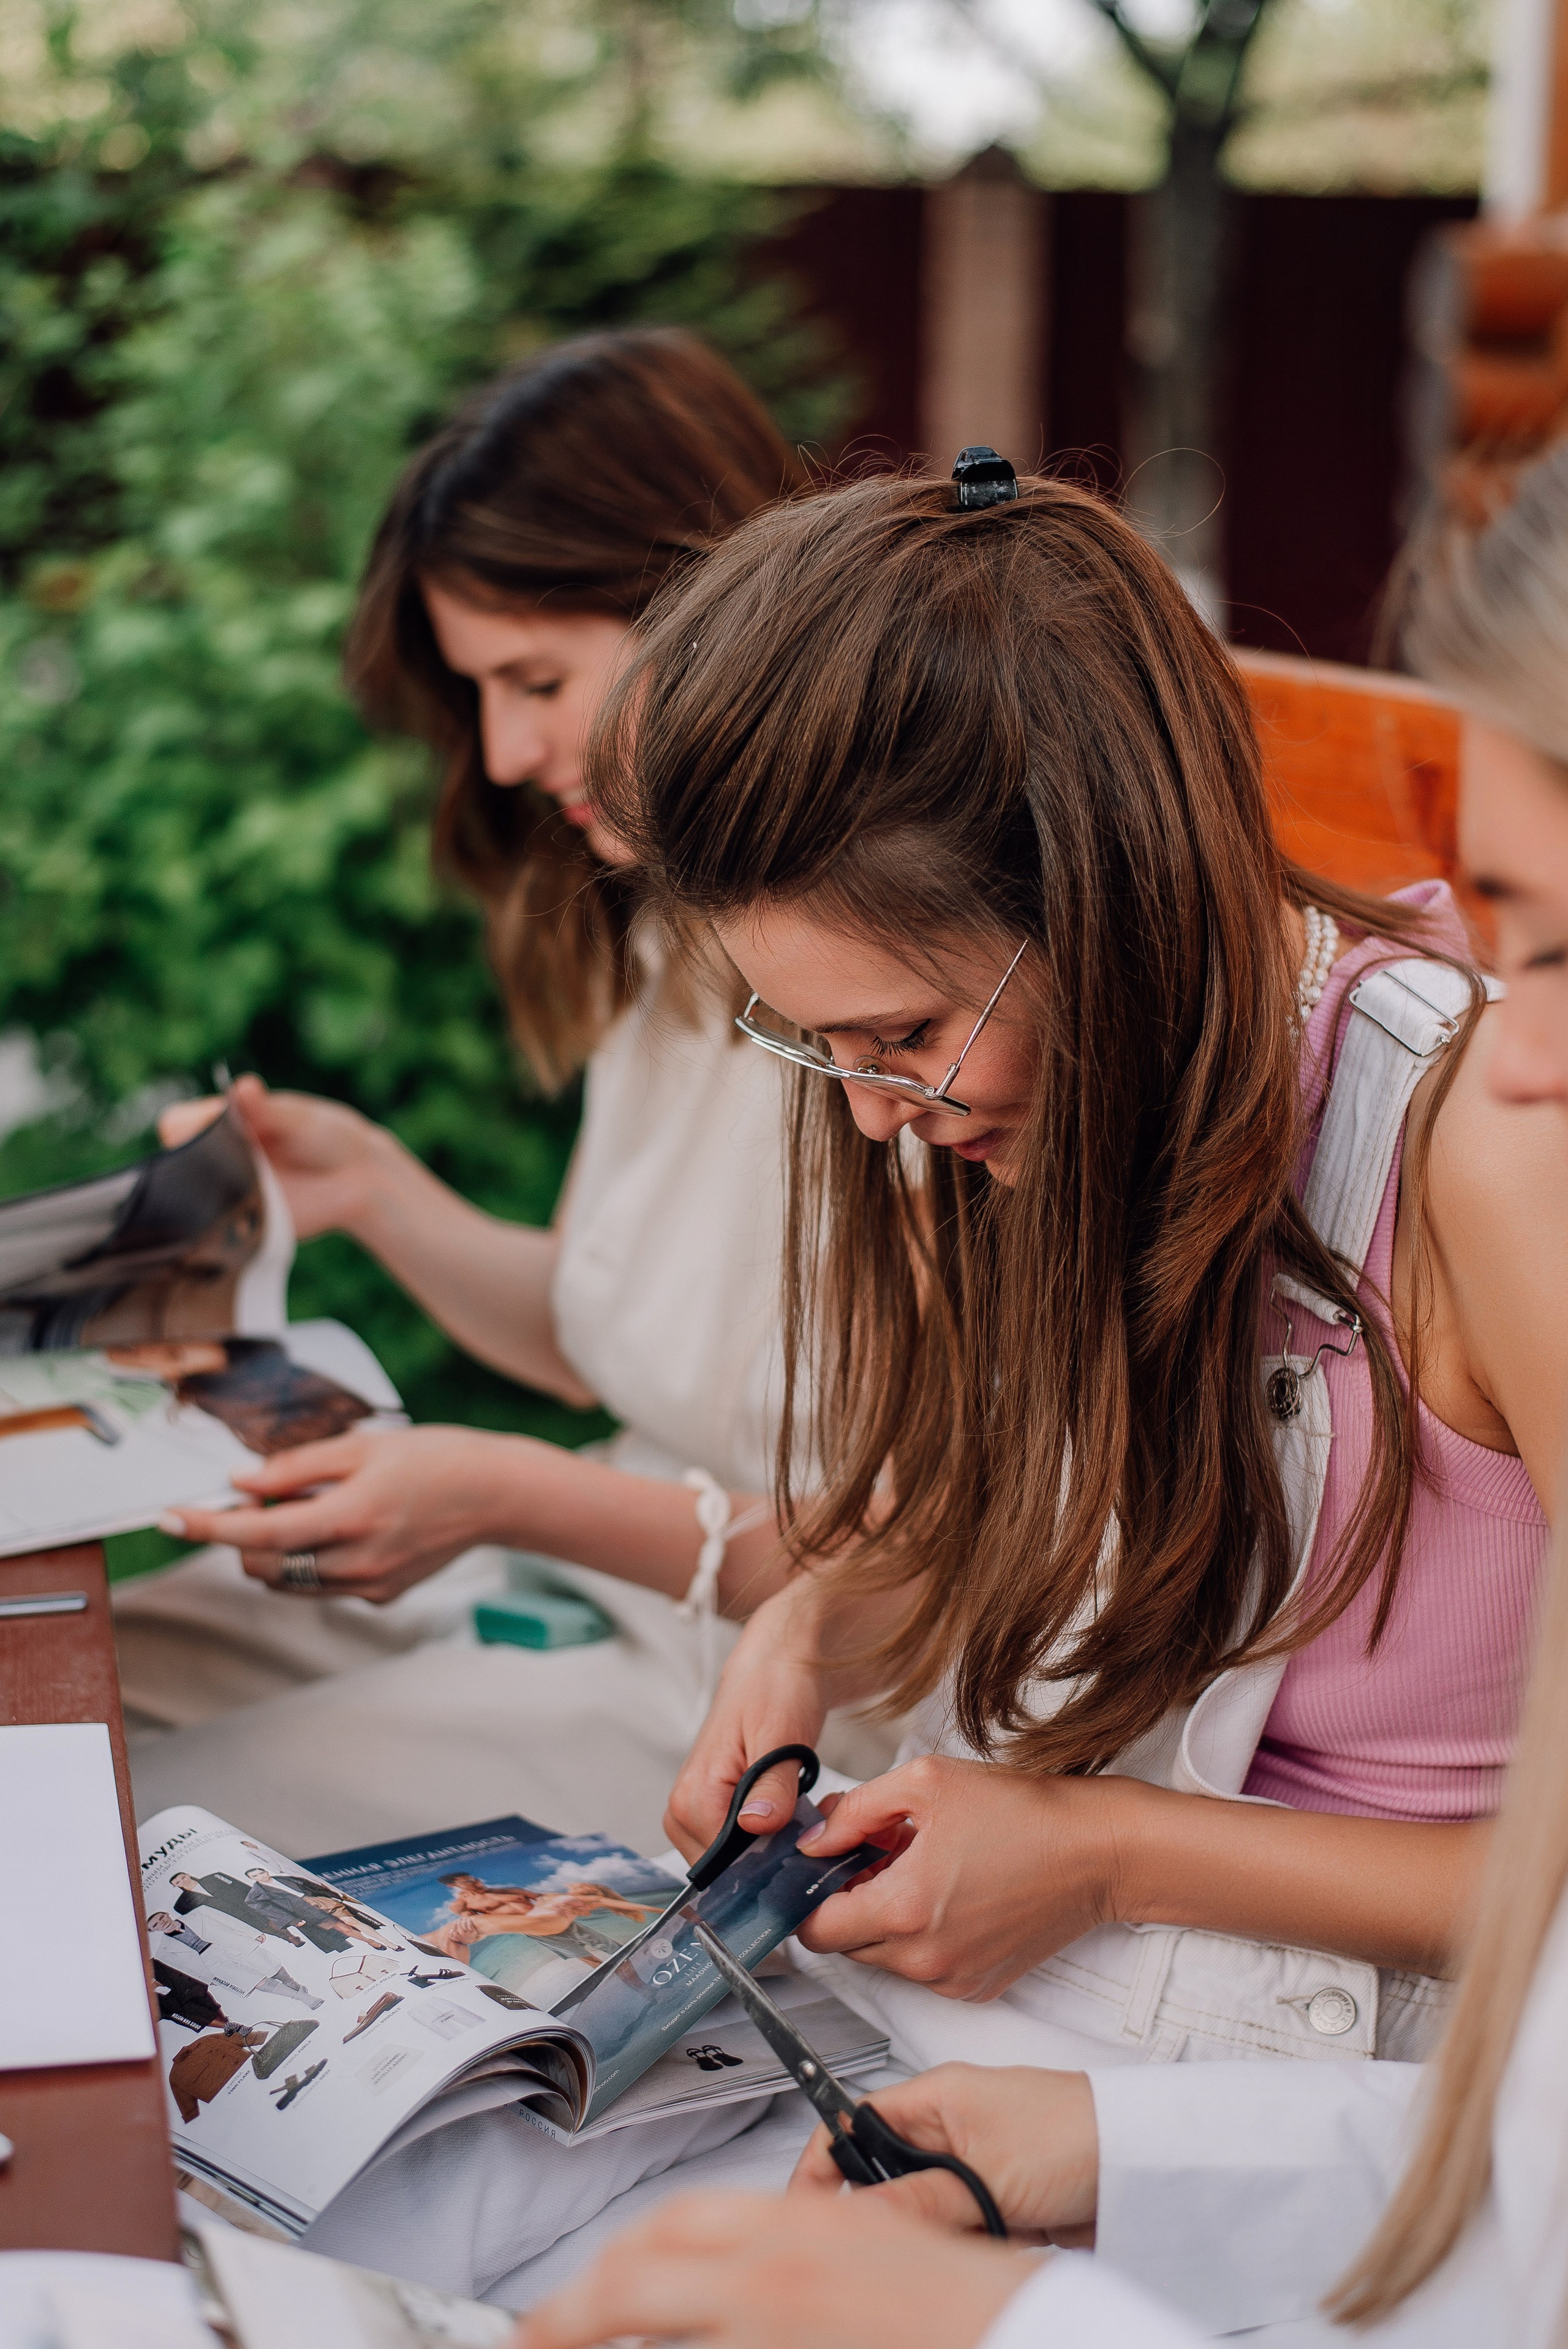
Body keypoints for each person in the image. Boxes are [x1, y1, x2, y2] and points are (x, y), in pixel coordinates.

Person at [296, 462, 1564, 2306]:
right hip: (1047, 2008)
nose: (882, 1114)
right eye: (826, 1050)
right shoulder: (1023, 1107)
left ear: (1113, 904)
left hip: (1329, 2083)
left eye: (900, 1036)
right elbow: (998, 1508)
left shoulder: (1487, 1153)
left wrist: (1107, 1852)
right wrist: (808, 1628)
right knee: (347, 2196)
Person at [121, 330, 889, 1856]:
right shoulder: (671, 931)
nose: (504, 749)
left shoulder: (889, 999)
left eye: (535, 681)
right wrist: (372, 1191)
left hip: (767, 1689)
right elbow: (629, 1331)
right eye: (481, 693)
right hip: (579, 1589)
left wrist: (505, 1494)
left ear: (712, 600)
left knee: (112, 1820)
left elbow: (934, 1561)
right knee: (65, 1691)